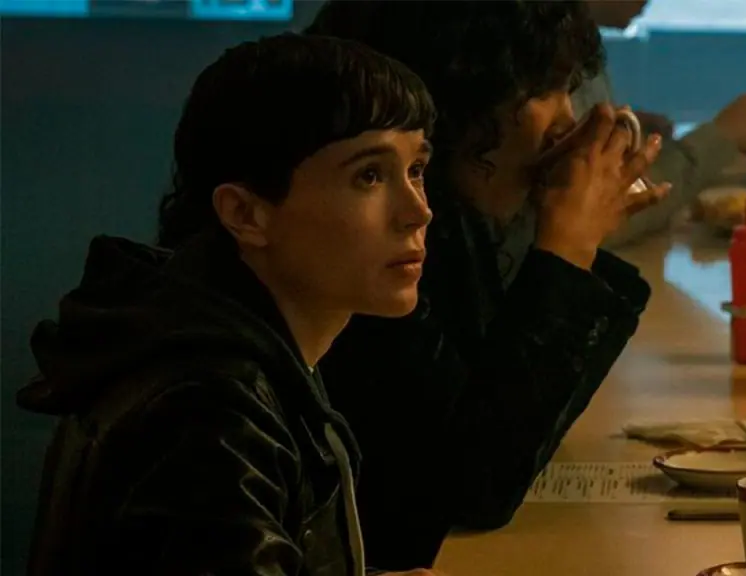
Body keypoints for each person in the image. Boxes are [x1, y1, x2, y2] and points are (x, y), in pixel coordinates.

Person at [18, 33, 438, 576]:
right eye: (370, 175)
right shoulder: (210, 415)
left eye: (416, 169)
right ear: (245, 213)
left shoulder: (226, 346)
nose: (417, 211)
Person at [290, 1, 668, 571]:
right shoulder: (359, 258)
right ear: (457, 92)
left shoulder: (449, 227)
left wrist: (567, 234)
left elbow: (508, 425)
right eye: (544, 89)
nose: (567, 119)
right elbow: (474, 487)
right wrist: (567, 245)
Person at [579, 0, 746, 247]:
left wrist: (625, 129)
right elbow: (592, 218)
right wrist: (721, 138)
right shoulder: (547, 51)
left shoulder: (577, 40)